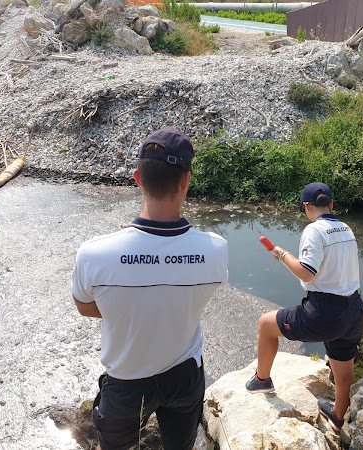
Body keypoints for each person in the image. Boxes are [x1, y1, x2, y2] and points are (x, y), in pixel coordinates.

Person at [71, 127, 228, 450]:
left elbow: (85, 306)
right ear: (186, 180)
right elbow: (193, 299)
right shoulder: (216, 250)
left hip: (126, 382)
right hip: (185, 375)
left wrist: (127, 305)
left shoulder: (94, 253)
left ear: (138, 178)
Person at [245, 182, 363, 432]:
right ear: (331, 204)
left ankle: (262, 380)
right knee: (344, 373)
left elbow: (307, 273)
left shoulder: (315, 230)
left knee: (266, 324)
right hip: (354, 310)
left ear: (307, 206)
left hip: (324, 313)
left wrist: (282, 253)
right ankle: (338, 417)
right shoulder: (346, 228)